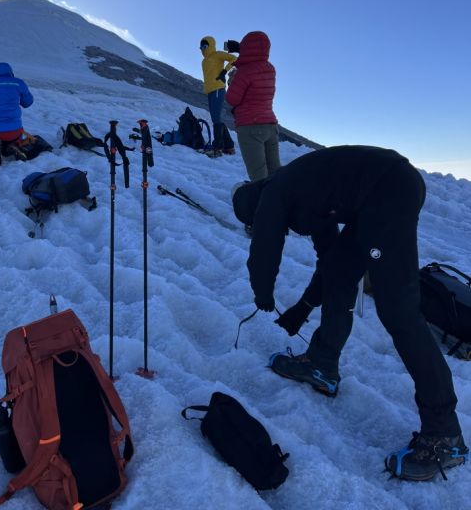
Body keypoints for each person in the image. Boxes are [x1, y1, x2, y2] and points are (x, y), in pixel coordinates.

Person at [231, 145, 468, 481]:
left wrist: (263, 294)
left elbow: (264, 248)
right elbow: (330, 262)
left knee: (398, 310)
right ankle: (322, 364)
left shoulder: (274, 192)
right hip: (376, 193)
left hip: (389, 187)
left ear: (254, 209)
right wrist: (304, 306)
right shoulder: (304, 193)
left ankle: (445, 434)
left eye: (254, 222)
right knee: (341, 273)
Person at [225, 31, 280, 181]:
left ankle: (262, 197)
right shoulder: (270, 69)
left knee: (259, 177)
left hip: (250, 127)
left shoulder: (244, 71)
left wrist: (232, 81)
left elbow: (232, 99)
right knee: (275, 174)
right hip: (271, 126)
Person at [199, 36, 237, 155]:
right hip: (210, 90)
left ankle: (218, 147)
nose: (203, 49)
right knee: (216, 118)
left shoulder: (217, 54)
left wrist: (225, 71)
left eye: (205, 46)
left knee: (215, 118)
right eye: (201, 47)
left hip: (218, 88)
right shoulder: (204, 61)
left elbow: (234, 58)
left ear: (211, 45)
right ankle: (229, 146)